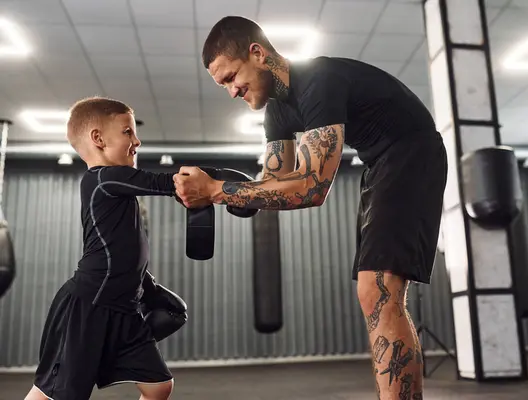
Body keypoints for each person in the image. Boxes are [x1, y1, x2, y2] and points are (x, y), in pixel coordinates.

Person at [174, 16, 448, 399]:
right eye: (223, 84)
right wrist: (220, 187)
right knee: (373, 291)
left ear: (258, 53)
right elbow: (274, 184)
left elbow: (310, 189)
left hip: (412, 152)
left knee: (378, 289)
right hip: (379, 165)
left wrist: (218, 191)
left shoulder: (318, 80)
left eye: (230, 77)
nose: (231, 91)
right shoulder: (278, 112)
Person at [25, 97, 182, 400]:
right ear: (98, 138)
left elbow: (123, 247)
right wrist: (223, 185)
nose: (136, 140)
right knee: (55, 394)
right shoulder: (102, 179)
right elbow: (164, 183)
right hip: (89, 306)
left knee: (159, 386)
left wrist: (144, 284)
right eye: (127, 132)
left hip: (125, 307)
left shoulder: (118, 188)